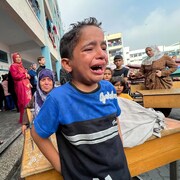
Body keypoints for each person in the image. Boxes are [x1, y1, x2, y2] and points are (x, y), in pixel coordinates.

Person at [31, 17, 130, 179]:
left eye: (103, 48)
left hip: (120, 172)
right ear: (68, 64)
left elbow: (115, 120)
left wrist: (120, 149)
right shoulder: (58, 99)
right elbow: (37, 134)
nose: (101, 54)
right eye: (89, 49)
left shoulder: (109, 88)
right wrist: (62, 167)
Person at [130, 45, 178, 117]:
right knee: (152, 100)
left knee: (164, 100)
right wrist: (135, 75)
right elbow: (141, 72)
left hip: (162, 82)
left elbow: (174, 66)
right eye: (146, 51)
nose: (148, 52)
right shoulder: (145, 61)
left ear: (155, 50)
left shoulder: (164, 57)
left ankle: (165, 116)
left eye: (150, 50)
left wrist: (163, 73)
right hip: (150, 83)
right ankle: (156, 118)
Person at [22, 69, 55, 135]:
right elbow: (27, 107)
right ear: (38, 82)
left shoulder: (59, 94)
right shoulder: (36, 96)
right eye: (43, 80)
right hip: (41, 130)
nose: (46, 83)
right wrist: (25, 124)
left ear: (53, 82)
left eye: (49, 79)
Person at [9, 53, 32, 124]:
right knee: (23, 102)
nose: (18, 58)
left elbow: (28, 76)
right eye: (16, 57)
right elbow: (15, 76)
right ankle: (24, 119)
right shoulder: (13, 66)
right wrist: (25, 75)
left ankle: (30, 117)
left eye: (19, 57)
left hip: (27, 86)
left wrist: (29, 81)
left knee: (29, 101)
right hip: (21, 86)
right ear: (14, 59)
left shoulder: (21, 66)